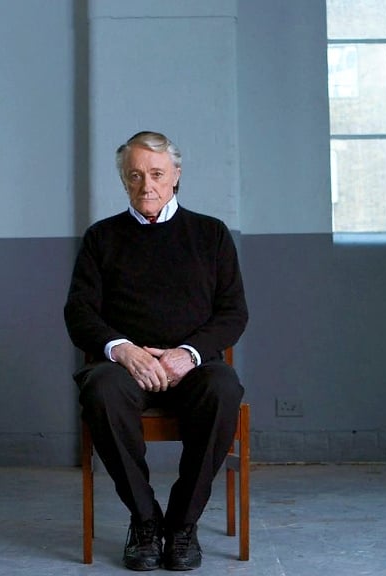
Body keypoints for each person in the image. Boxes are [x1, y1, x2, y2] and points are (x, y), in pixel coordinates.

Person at [64, 131, 248, 571]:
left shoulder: (211, 234)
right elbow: (79, 313)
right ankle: (145, 520)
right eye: (135, 175)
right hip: (126, 370)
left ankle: (183, 524)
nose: (146, 185)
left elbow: (233, 314)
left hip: (192, 368)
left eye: (157, 174)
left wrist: (187, 353)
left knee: (224, 387)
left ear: (176, 175)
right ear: (123, 180)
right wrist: (125, 351)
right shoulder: (101, 237)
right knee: (101, 390)